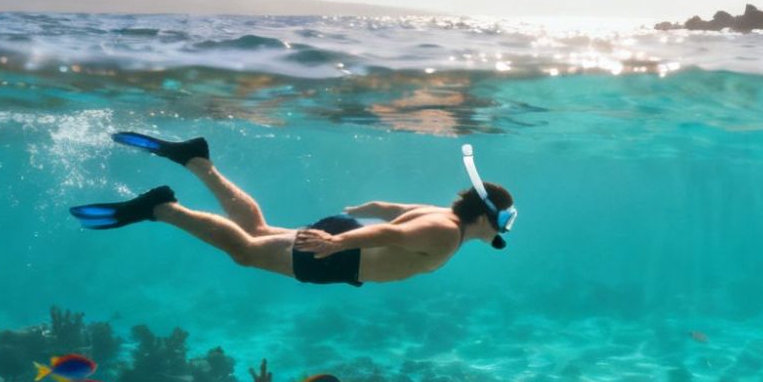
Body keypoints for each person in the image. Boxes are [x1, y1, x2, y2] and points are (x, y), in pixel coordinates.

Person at [68, 134, 515, 287]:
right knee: (245, 250)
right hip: (340, 253)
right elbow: (390, 236)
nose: (506, 229)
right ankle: (162, 208)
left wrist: (362, 212)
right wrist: (335, 242)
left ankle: (197, 160)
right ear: (488, 215)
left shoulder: (442, 214)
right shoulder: (444, 233)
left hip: (344, 238)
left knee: (257, 229)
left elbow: (390, 211)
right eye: (506, 220)